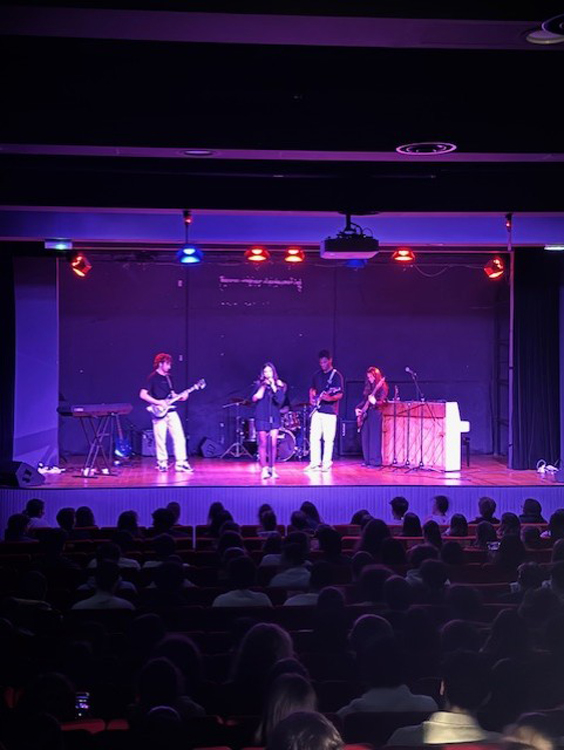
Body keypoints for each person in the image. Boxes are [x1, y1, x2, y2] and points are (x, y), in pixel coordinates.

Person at [139, 352, 192, 473]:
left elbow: (172, 394)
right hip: (158, 412)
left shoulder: (169, 378)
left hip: (171, 410)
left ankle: (181, 463)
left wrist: (181, 397)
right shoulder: (152, 378)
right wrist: (158, 402)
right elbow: (143, 394)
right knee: (160, 438)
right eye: (167, 364)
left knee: (179, 437)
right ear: (160, 364)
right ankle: (162, 463)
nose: (169, 367)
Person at [304, 349, 344, 472]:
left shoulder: (336, 376)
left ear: (330, 360)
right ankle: (314, 463)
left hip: (330, 412)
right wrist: (311, 398)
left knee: (328, 439)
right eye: (321, 362)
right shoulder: (316, 375)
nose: (323, 365)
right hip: (317, 410)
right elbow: (312, 389)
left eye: (325, 362)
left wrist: (330, 398)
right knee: (314, 437)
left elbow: (340, 394)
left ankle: (326, 463)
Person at [252, 362, 287, 479]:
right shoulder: (258, 384)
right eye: (266, 371)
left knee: (272, 444)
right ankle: (264, 469)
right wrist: (263, 386)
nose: (268, 374)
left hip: (274, 416)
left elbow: (280, 400)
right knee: (262, 443)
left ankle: (272, 468)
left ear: (273, 372)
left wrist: (273, 386)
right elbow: (256, 398)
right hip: (261, 416)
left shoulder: (279, 385)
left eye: (270, 371)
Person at [355, 366, 388, 467]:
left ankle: (375, 461)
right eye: (368, 377)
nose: (370, 379)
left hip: (376, 413)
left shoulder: (382, 386)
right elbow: (365, 401)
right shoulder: (368, 386)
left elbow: (383, 402)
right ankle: (367, 460)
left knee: (374, 437)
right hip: (367, 413)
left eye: (371, 377)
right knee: (365, 437)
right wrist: (357, 408)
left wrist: (375, 402)